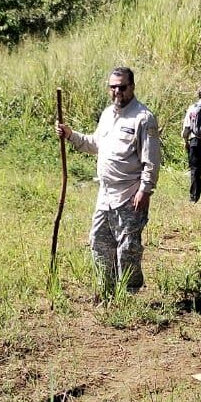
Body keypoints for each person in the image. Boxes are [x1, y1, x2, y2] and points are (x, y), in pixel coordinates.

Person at [56, 67, 162, 296]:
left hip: (130, 194)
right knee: (99, 242)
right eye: (113, 87)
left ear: (132, 87)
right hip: (105, 195)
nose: (117, 91)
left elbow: (151, 160)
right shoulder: (107, 115)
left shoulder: (143, 118)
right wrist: (70, 135)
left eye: (122, 87)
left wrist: (145, 190)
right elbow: (95, 144)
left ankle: (130, 295)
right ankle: (107, 291)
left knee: (128, 249)